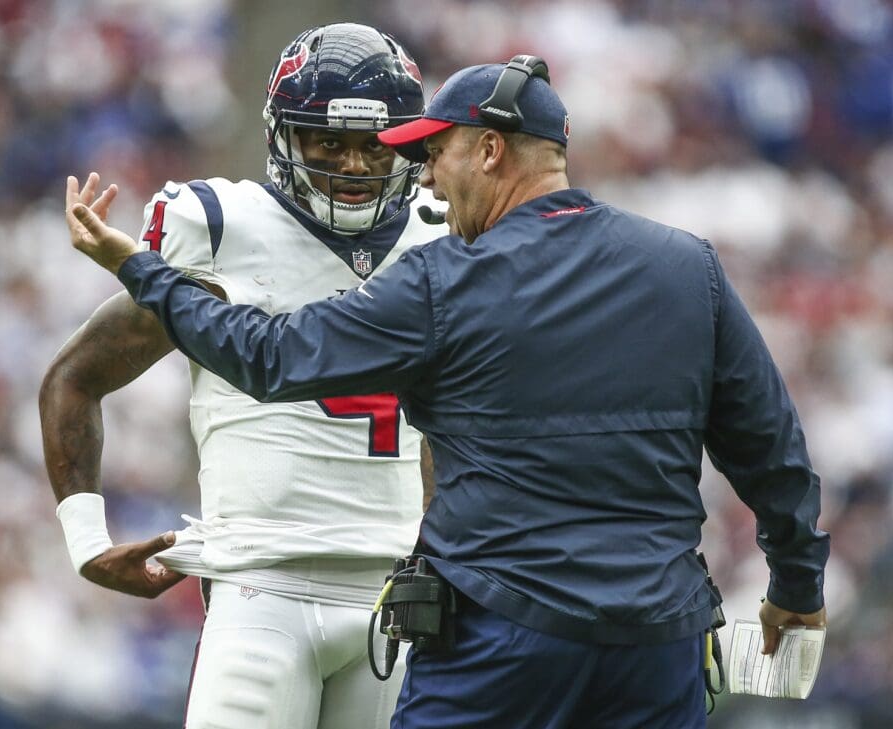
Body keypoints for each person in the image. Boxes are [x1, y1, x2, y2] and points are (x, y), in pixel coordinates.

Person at [65, 56, 830, 729]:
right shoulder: (685, 265)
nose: (424, 176)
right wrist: (796, 582)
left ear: (489, 149)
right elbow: (771, 448)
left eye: (436, 153)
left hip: (500, 635)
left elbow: (267, 357)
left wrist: (143, 269)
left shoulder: (445, 279)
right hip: (657, 641)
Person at [41, 23, 442, 729]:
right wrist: (86, 539)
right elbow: (76, 377)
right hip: (262, 588)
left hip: (400, 593)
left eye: (372, 145)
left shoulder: (443, 235)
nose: (352, 164)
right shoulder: (224, 227)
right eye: (328, 142)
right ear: (285, 138)